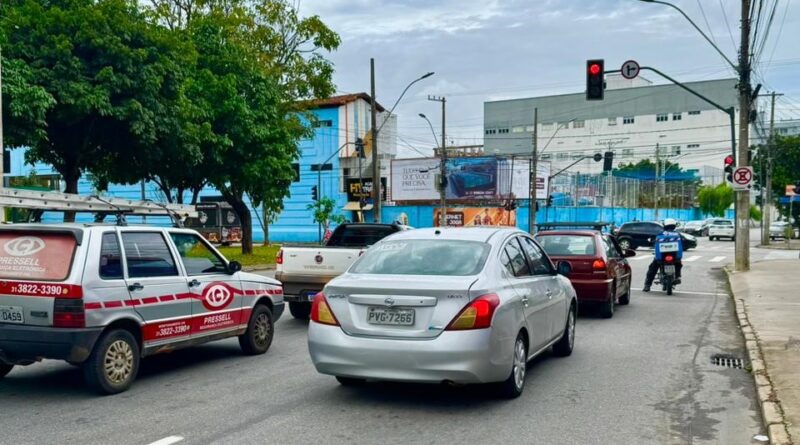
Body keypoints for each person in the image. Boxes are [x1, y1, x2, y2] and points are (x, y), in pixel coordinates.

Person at [643, 218, 683, 292]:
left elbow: (653, 240)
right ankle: (677, 276)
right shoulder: (677, 234)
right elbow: (684, 241)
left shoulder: (660, 234)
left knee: (652, 268)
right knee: (678, 264)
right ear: (674, 226)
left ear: (665, 226)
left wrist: (651, 242)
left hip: (661, 257)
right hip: (675, 257)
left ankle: (647, 285)